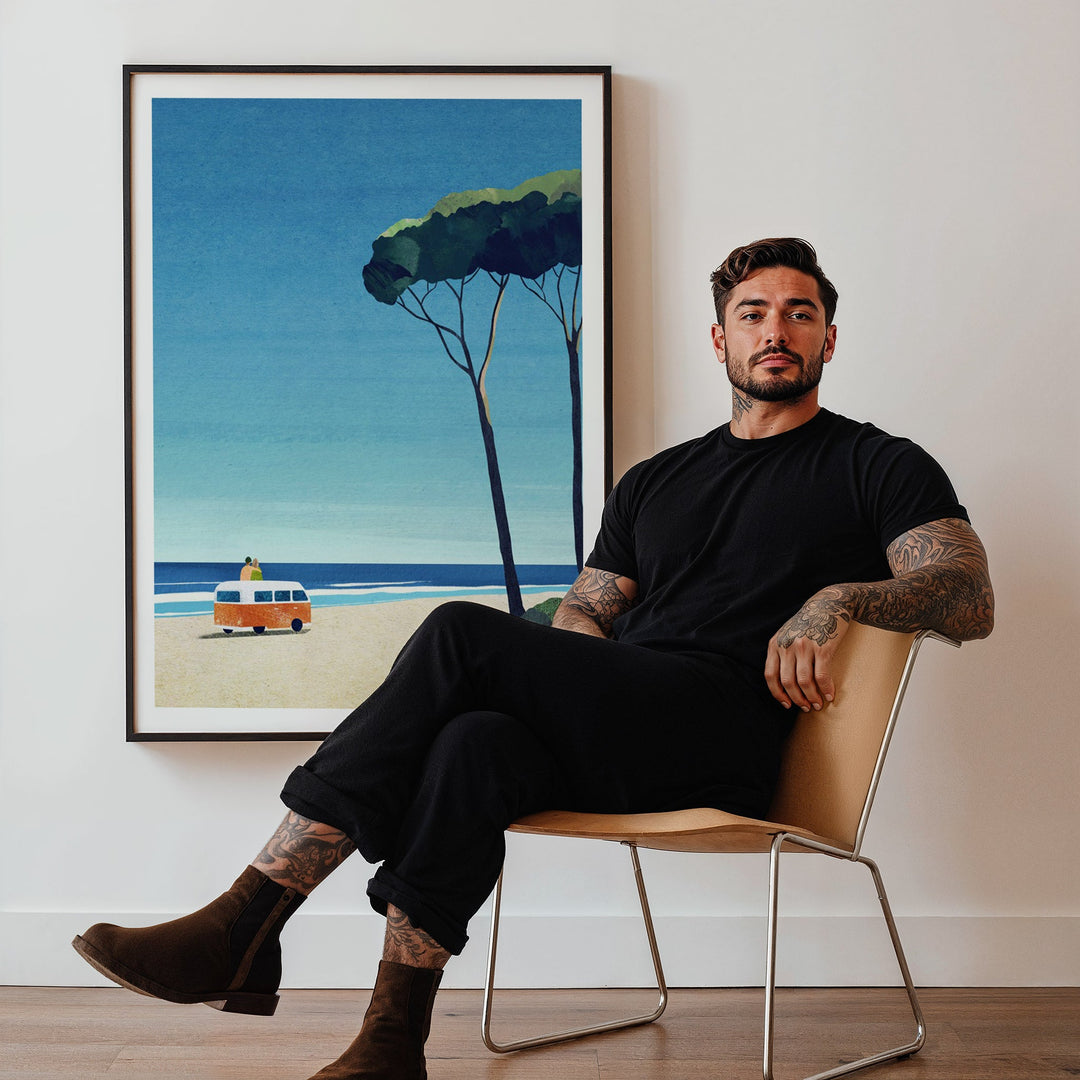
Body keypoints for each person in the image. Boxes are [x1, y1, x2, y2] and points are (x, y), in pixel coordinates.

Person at [72, 238, 994, 1080]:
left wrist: (840, 598)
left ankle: (244, 918)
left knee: (459, 631)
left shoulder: (879, 464)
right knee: (477, 741)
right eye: (753, 313)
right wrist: (575, 661)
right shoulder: (656, 480)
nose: (776, 330)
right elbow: (588, 612)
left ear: (831, 338)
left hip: (727, 737)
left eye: (800, 312)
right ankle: (392, 1042)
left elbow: (967, 593)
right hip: (624, 718)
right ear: (719, 342)